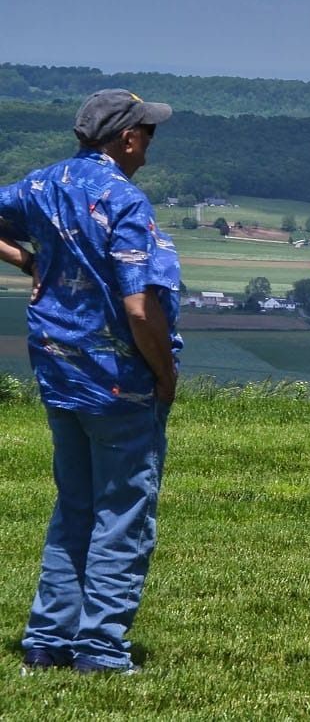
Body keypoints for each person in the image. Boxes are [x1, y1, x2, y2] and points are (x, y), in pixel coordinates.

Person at [0, 90, 180, 675]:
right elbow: (138, 306)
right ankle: (100, 648)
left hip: (57, 368)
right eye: (147, 133)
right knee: (123, 512)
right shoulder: (124, 201)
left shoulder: (41, 185)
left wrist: (27, 260)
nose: (151, 145)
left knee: (74, 505)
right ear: (126, 138)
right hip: (117, 380)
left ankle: (47, 640)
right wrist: (164, 370)